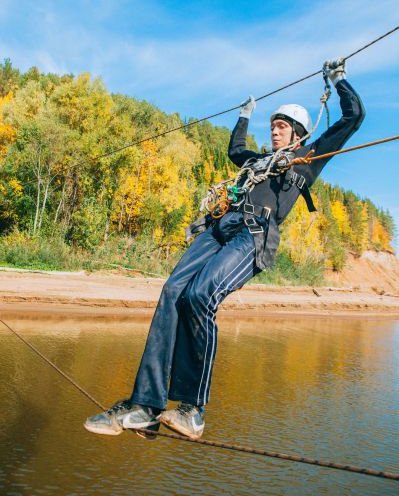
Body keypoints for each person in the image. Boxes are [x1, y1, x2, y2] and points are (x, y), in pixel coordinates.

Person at [84, 58, 365, 439]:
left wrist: (339, 80)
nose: (275, 131)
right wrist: (244, 117)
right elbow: (236, 149)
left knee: (200, 296)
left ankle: (192, 410)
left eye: (281, 127)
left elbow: (353, 118)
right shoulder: (256, 161)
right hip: (218, 228)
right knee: (172, 293)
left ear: (298, 133)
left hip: (253, 233)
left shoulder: (306, 159)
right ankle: (145, 405)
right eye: (273, 126)